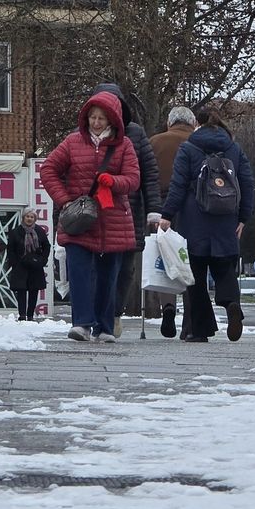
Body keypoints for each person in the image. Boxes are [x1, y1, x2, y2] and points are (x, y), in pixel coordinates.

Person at [37, 90, 140, 343]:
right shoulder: (72, 142)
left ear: (112, 120)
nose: (96, 123)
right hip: (79, 220)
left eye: (101, 119)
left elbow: (133, 179)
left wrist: (113, 181)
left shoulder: (124, 145)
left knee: (108, 276)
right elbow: (49, 169)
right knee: (79, 272)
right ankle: (81, 323)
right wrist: (64, 200)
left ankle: (104, 327)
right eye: (92, 117)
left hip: (113, 220)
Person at [157, 107, 255, 343]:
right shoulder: (233, 148)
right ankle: (231, 304)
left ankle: (199, 330)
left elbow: (178, 185)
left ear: (197, 124)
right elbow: (247, 183)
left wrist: (167, 215)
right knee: (225, 269)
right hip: (227, 219)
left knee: (196, 276)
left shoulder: (189, 148)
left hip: (194, 218)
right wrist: (243, 218)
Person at [91, 84, 160, 332]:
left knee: (124, 269)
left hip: (128, 214)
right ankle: (99, 315)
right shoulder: (84, 133)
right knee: (98, 267)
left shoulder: (136, 134)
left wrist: (154, 210)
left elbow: (149, 175)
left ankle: (115, 312)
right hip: (94, 212)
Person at [146, 106, 197, 337]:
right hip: (193, 209)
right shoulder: (199, 143)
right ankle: (190, 320)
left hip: (160, 207)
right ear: (193, 123)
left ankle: (167, 307)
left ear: (169, 123)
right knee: (189, 261)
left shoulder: (155, 141)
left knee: (165, 259)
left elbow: (145, 175)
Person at [5, 207, 50, 321]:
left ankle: (30, 315)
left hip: (35, 265)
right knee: (21, 290)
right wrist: (14, 263)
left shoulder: (40, 231)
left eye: (32, 217)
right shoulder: (16, 232)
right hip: (20, 266)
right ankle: (22, 315)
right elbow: (10, 249)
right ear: (23, 218)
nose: (29, 219)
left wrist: (42, 260)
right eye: (27, 216)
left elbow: (46, 246)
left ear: (35, 219)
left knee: (34, 290)